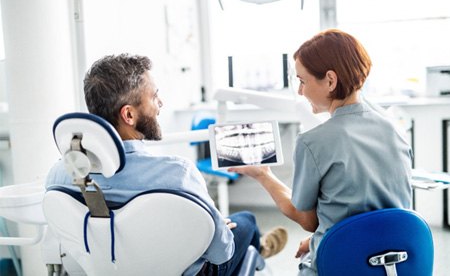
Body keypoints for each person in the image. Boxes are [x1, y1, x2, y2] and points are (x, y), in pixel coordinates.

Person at [45, 54, 288, 276]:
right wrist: (217, 228)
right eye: (154, 96)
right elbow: (220, 253)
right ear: (128, 115)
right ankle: (259, 249)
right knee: (245, 222)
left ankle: (259, 247)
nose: (161, 102)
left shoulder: (59, 176)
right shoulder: (178, 174)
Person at [228, 29, 412, 275]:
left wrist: (263, 175)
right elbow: (377, 213)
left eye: (302, 81)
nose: (300, 92)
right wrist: (324, 240)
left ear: (330, 80)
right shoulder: (395, 130)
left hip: (342, 265)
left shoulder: (313, 142)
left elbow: (307, 220)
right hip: (392, 263)